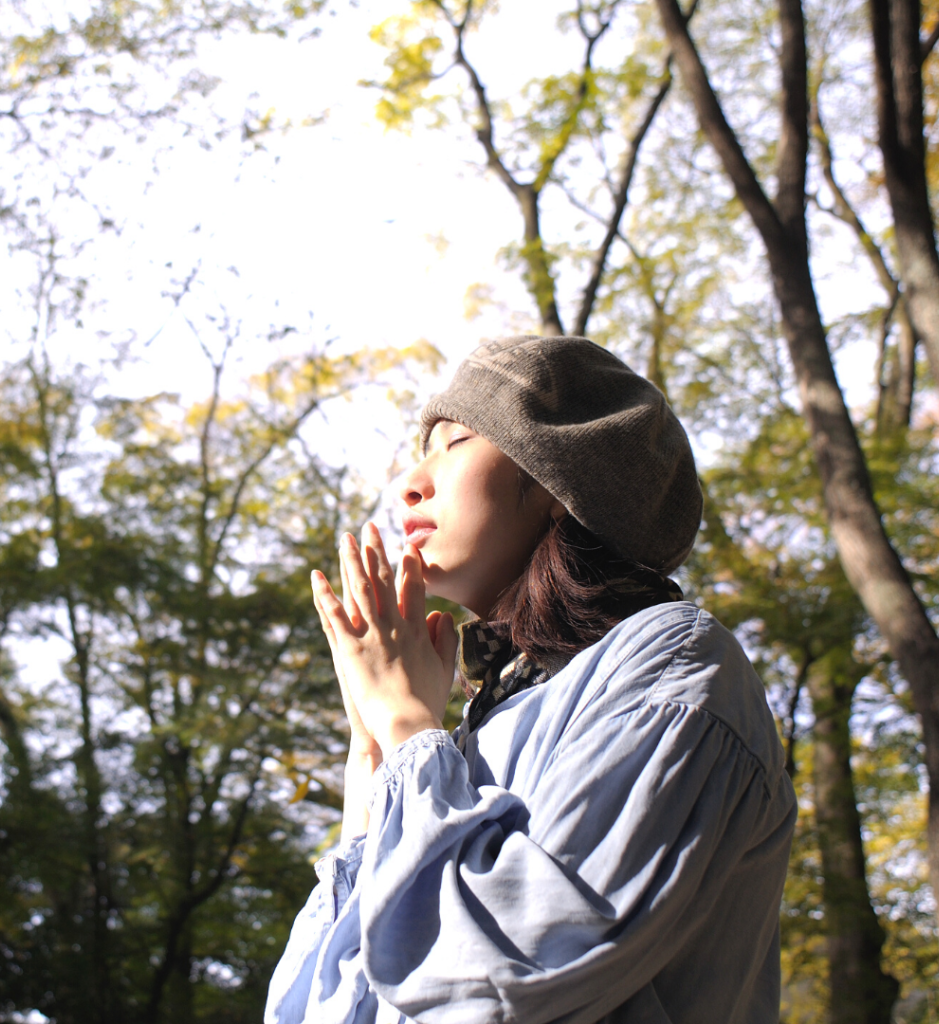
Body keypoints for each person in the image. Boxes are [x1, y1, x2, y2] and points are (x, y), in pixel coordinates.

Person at [264, 335, 797, 1024]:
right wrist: (374, 766)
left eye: (455, 443)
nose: (409, 484)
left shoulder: (672, 670)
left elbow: (503, 975)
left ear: (559, 483)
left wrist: (404, 724)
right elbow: (312, 1008)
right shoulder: (473, 727)